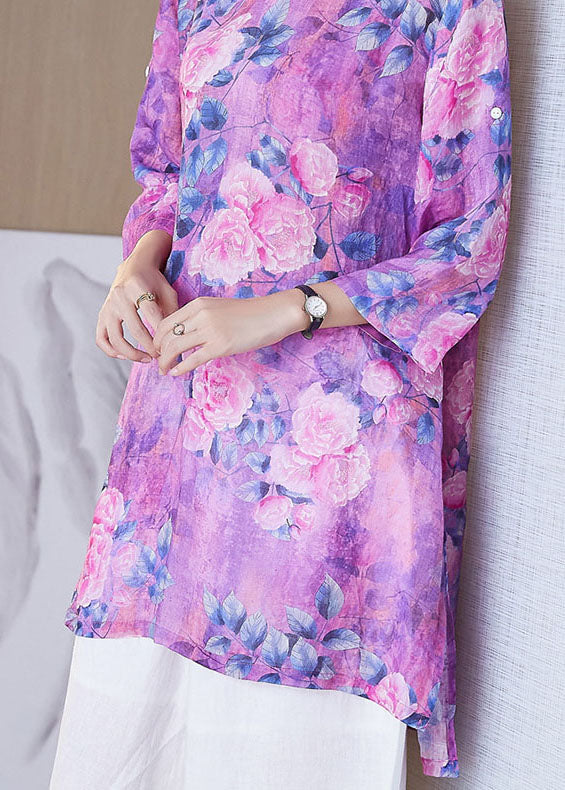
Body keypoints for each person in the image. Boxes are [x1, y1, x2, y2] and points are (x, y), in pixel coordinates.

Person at [50, 0, 512, 785]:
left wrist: (288, 310)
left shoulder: (449, 8)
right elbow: (167, 177)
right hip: (178, 439)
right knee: (127, 742)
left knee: (289, 751)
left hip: (332, 474)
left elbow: (466, 241)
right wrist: (135, 272)